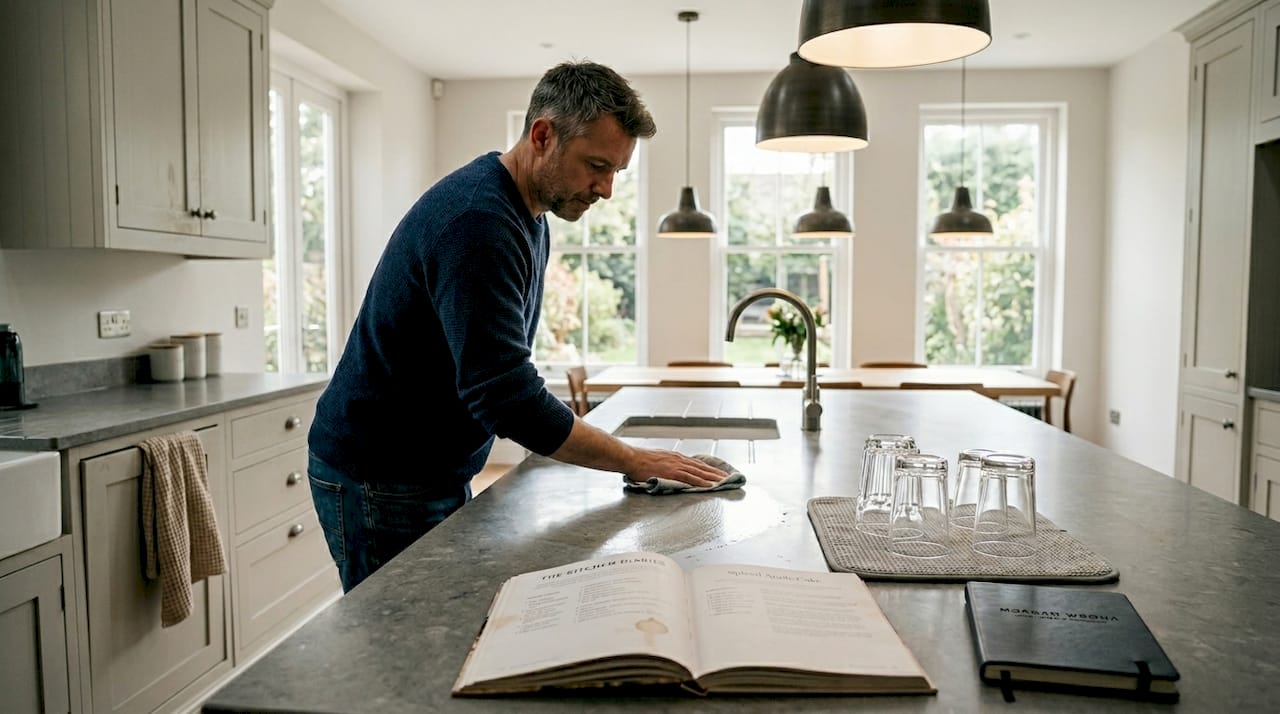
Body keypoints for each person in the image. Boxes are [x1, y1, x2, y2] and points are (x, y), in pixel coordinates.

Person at [307, 61, 727, 593]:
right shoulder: (478, 222)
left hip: (425, 467)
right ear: (543, 135)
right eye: (597, 165)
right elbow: (505, 394)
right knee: (400, 644)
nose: (607, 189)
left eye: (617, 171)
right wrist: (635, 459)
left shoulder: (528, 213)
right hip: (380, 474)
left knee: (440, 627)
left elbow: (494, 364)